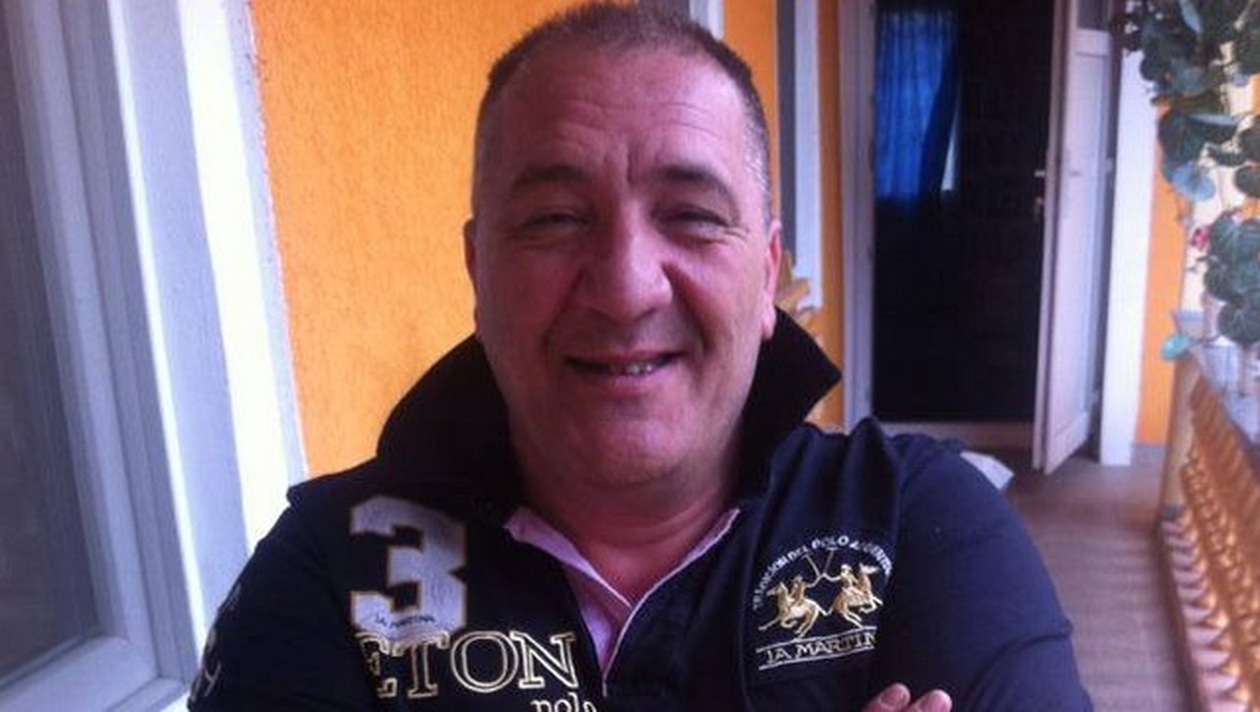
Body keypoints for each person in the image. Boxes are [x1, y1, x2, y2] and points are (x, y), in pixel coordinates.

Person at [188, 3, 1090, 710]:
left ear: (765, 274)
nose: (625, 288)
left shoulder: (915, 521)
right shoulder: (331, 573)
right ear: (477, 271)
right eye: (554, 219)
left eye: (692, 216)